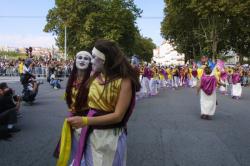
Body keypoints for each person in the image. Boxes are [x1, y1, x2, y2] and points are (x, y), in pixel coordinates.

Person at [65, 40, 141, 166]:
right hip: (90, 133)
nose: (91, 60)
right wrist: (75, 115)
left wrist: (85, 121)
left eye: (94, 57)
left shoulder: (124, 81)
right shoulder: (94, 75)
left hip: (110, 137)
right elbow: (85, 102)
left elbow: (118, 116)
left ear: (105, 60)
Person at [54, 51, 92, 165]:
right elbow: (68, 98)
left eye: (86, 58)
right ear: (75, 60)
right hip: (74, 117)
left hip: (87, 119)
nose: (82, 60)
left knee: (87, 147)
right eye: (79, 57)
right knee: (76, 146)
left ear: (90, 62)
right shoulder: (72, 79)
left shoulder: (93, 80)